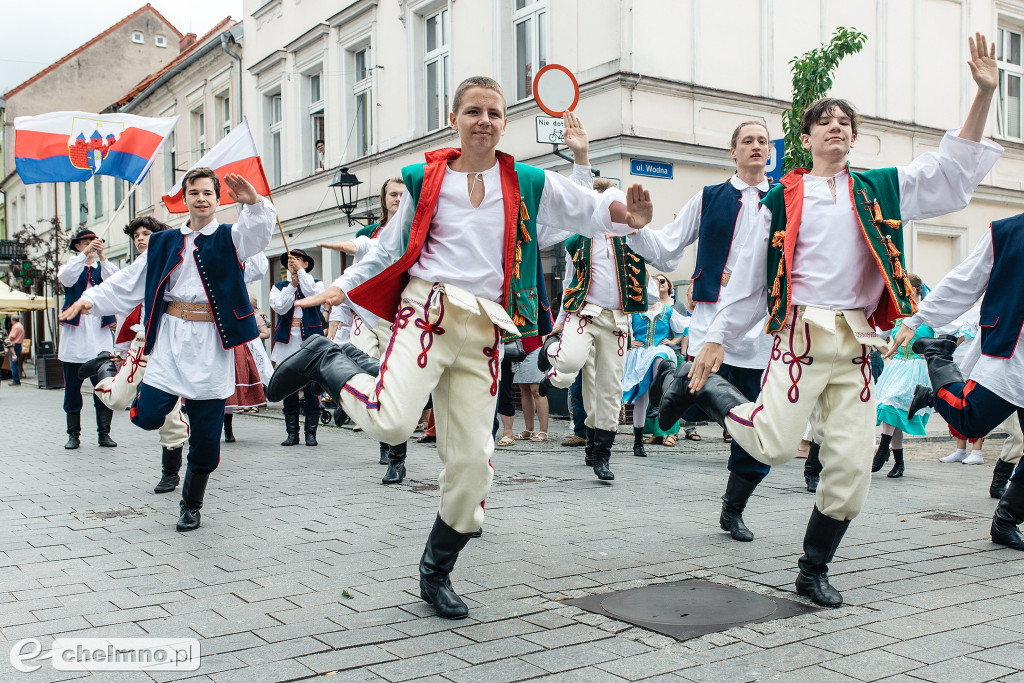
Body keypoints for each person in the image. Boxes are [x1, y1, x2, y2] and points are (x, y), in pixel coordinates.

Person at [268, 76, 652, 620]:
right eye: (474, 111)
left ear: (504, 122)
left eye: (494, 112)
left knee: (474, 463)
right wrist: (342, 287)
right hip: (428, 312)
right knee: (394, 423)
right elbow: (387, 247)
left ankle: (436, 572)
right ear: (455, 120)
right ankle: (329, 359)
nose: (485, 121)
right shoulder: (427, 181)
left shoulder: (525, 180)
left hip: (485, 331)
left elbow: (587, 206)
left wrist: (626, 216)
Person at [659, 34, 1001, 604]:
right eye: (826, 121)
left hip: (857, 343)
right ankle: (702, 389)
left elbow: (950, 174)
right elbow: (747, 278)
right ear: (806, 137)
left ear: (853, 137)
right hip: (799, 336)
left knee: (850, 467)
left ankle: (812, 569)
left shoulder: (879, 189)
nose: (837, 127)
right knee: (769, 444)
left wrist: (983, 95)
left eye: (845, 121)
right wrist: (715, 339)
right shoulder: (780, 199)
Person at [60, 169, 275, 533]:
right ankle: (104, 371)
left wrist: (253, 202)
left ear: (218, 199)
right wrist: (89, 299)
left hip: (211, 343)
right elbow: (129, 281)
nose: (202, 198)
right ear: (186, 198)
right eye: (195, 192)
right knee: (147, 416)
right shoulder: (163, 242)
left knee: (206, 438)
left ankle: (191, 505)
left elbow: (256, 236)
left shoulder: (229, 237)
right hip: (171, 337)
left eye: (209, 192)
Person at [631, 120, 774, 542]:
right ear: (733, 150)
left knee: (756, 428)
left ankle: (733, 509)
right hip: (712, 319)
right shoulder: (710, 198)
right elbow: (668, 245)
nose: (755, 146)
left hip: (761, 329)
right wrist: (637, 228)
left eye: (762, 141)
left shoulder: (785, 200)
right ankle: (676, 385)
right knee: (711, 395)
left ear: (770, 152)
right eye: (746, 140)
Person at [539, 123, 648, 482]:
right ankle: (551, 359)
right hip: (582, 313)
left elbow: (658, 256)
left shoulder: (632, 238)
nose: (611, 210)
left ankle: (599, 453)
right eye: (605, 205)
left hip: (616, 320)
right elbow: (571, 280)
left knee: (607, 387)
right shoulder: (579, 239)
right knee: (568, 363)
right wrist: (558, 321)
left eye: (615, 205)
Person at [319, 177, 412, 481]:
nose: (397, 198)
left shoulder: (417, 230)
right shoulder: (370, 233)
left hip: (400, 316)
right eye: (392, 194)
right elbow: (361, 256)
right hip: (366, 314)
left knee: (393, 380)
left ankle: (395, 456)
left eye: (402, 194)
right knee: (359, 362)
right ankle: (347, 394)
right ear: (384, 199)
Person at [58, 229, 120, 449]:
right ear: (77, 246)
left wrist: (102, 257)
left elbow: (116, 283)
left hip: (100, 341)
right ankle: (73, 435)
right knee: (72, 392)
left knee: (103, 389)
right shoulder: (71, 267)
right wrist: (84, 255)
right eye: (86, 242)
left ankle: (104, 433)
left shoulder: (103, 268)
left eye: (94, 242)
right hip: (75, 342)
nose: (91, 245)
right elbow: (66, 279)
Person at [871, 274, 932, 478]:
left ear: (915, 289)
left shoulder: (927, 311)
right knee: (892, 413)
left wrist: (935, 351)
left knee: (890, 403)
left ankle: (883, 449)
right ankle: (899, 463)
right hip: (897, 366)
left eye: (904, 289)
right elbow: (878, 333)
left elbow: (958, 331)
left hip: (917, 367)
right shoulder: (898, 312)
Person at [622, 275, 685, 458]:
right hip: (640, 354)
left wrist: (672, 341)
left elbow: (683, 328)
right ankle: (638, 442)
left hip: (659, 351)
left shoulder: (667, 310)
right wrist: (628, 343)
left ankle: (657, 399)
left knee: (659, 357)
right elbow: (620, 329)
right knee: (641, 399)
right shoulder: (634, 311)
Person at [270, 249, 326, 447]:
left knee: (312, 389)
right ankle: (292, 433)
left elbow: (313, 295)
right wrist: (292, 285)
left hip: (310, 343)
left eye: (297, 260)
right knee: (288, 391)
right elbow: (280, 307)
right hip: (287, 345)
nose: (292, 263)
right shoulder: (279, 287)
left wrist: (301, 275)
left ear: (306, 263)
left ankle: (311, 433)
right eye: (289, 261)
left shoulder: (317, 284)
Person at [7, 314, 24, 386]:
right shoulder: (20, 326)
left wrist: (6, 341)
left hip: (14, 346)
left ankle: (16, 380)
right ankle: (16, 379)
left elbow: (12, 337)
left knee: (13, 363)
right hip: (18, 345)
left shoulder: (15, 327)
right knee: (16, 363)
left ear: (12, 321)